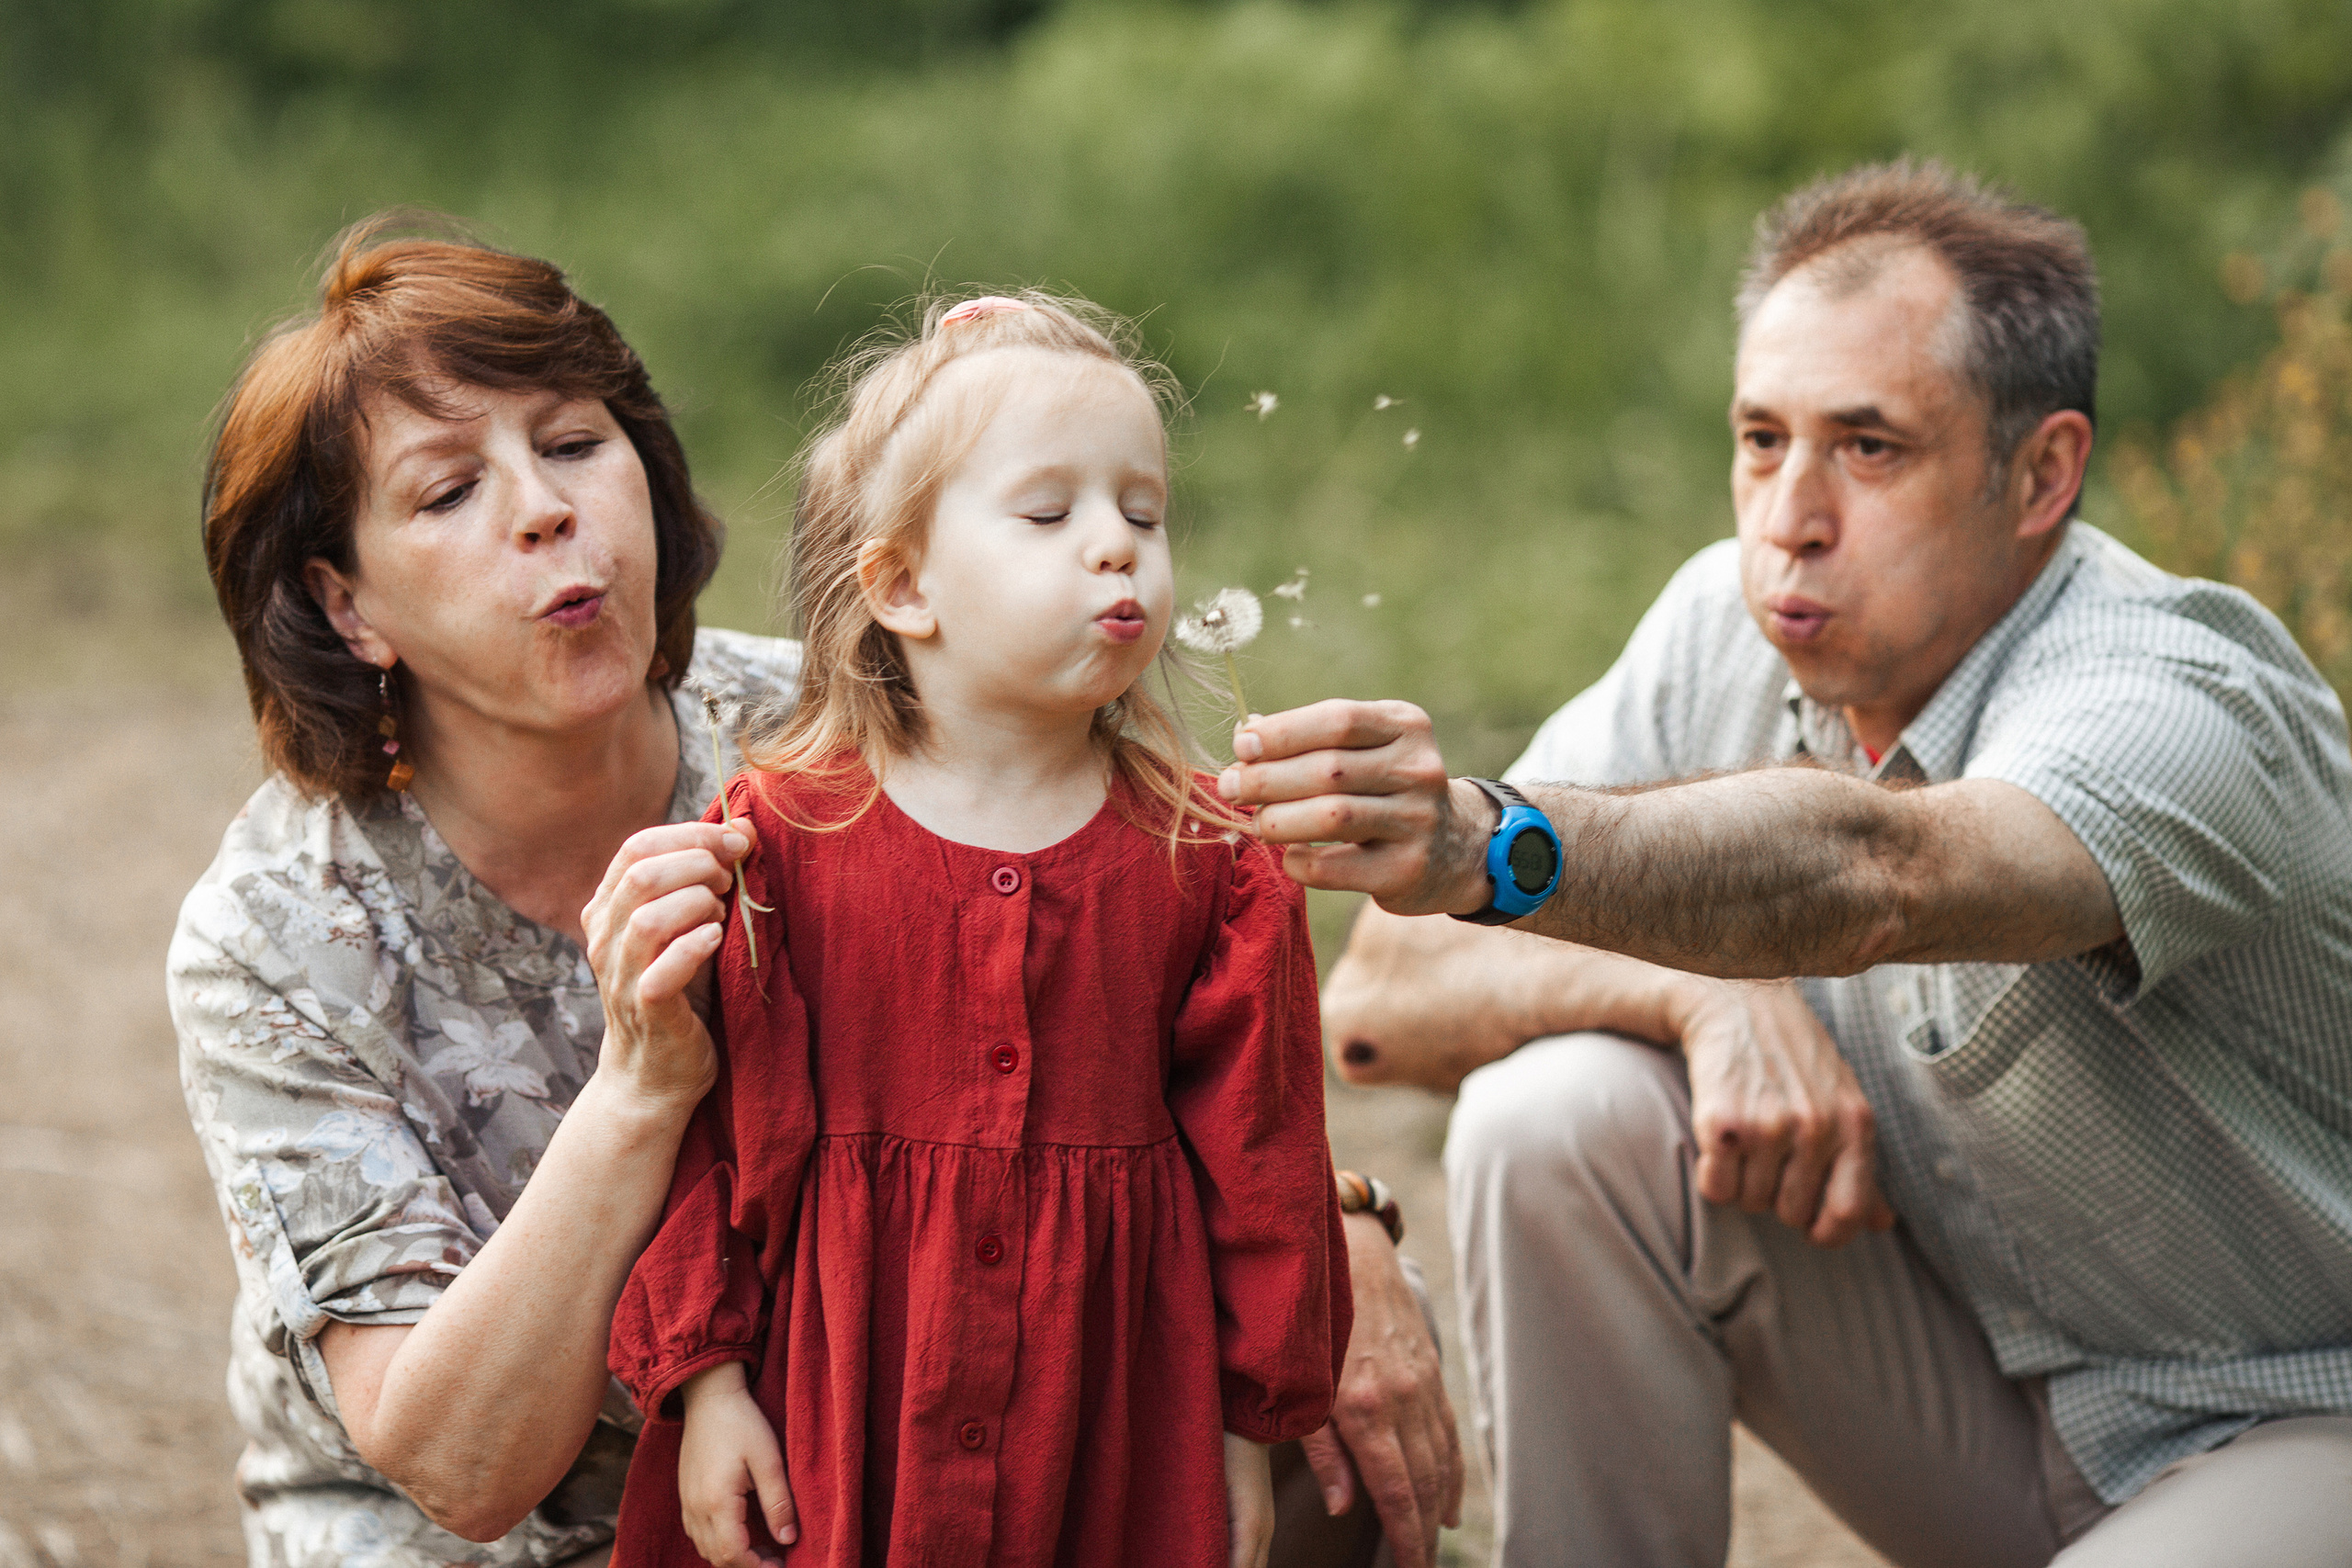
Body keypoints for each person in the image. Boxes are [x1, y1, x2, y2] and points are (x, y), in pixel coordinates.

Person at [170, 221, 1459, 1567]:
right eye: (446, 494)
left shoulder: (870, 722)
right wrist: (641, 1093)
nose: (546, 510)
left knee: (1326, 1407)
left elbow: (1137, 1030)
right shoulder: (276, 938)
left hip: (900, 1445)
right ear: (348, 604)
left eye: (571, 443)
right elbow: (458, 1473)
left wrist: (1345, 1222)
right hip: (498, 1530)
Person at [1218, 161, 2352, 1567]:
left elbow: (1878, 875)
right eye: (1762, 440)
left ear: (2042, 472)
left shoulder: (2183, 697)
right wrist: (1699, 997)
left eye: (1869, 449)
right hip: (1983, 1415)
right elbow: (1384, 998)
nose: (1789, 516)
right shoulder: (1729, 623)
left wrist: (1477, 838)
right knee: (1553, 1117)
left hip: (2296, 1416)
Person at [605, 292, 1347, 1568]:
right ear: (902, 584)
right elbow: (703, 1132)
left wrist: (1242, 1434)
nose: (1117, 546)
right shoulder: (778, 842)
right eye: (1051, 515)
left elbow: (1264, 1167)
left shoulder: (1213, 861)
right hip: (833, 1407)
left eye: (1145, 513)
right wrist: (709, 1388)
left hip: (1110, 1416)